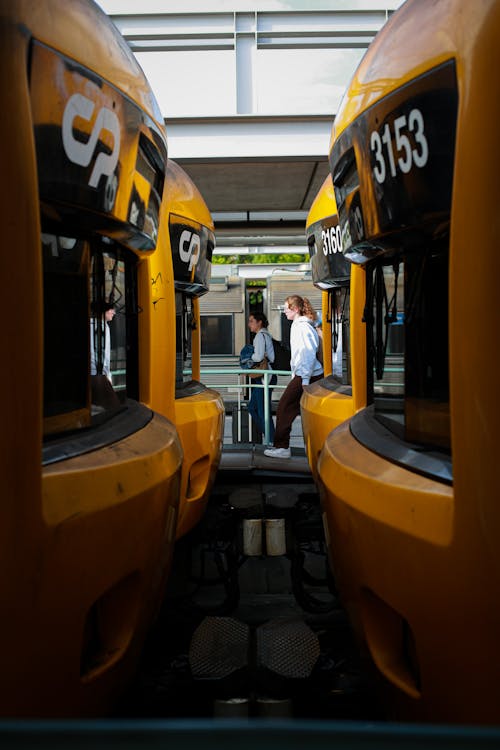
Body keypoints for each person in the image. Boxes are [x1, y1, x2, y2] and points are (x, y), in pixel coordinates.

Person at [264, 295, 323, 459]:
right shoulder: (301, 325)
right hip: (307, 375)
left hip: (307, 375)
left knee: (284, 407)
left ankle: (282, 447)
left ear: (295, 309)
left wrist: (303, 379)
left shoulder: (301, 327)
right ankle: (283, 446)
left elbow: (307, 353)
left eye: (286, 309)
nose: (284, 312)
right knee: (291, 408)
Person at [246, 312, 276, 443]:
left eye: (252, 321)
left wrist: (248, 357)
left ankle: (272, 440)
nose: (249, 324)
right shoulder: (266, 335)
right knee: (255, 408)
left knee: (261, 411)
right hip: (266, 376)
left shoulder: (260, 336)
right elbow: (272, 358)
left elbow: (258, 357)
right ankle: (270, 437)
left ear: (259, 322)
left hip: (264, 378)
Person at [90, 302, 115, 383]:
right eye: (111, 309)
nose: (113, 312)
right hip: (97, 373)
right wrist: (107, 375)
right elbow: (103, 354)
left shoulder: (91, 324)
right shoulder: (101, 326)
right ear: (103, 311)